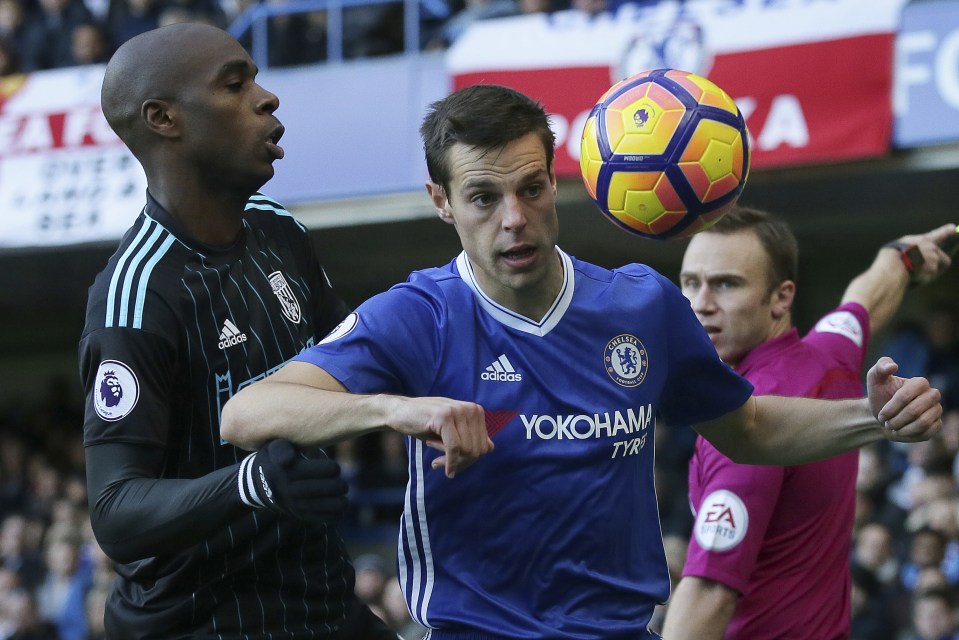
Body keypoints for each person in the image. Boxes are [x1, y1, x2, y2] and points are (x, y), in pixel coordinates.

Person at [218, 83, 943, 639]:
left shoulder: (642, 305)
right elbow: (246, 412)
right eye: (482, 197)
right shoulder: (418, 315)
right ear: (441, 202)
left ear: (554, 181)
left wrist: (871, 417)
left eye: (530, 188)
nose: (513, 218)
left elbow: (748, 427)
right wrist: (394, 407)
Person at [78, 23, 397, 639]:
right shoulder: (136, 296)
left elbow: (360, 357)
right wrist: (248, 484)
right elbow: (114, 511)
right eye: (234, 83)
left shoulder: (280, 230)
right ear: (164, 119)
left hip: (321, 599)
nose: (266, 97)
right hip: (204, 621)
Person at [659, 208, 955, 639]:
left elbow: (708, 592)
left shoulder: (741, 429)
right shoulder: (829, 351)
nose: (700, 304)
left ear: (781, 297)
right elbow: (870, 292)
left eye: (726, 284)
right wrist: (905, 257)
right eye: (690, 282)